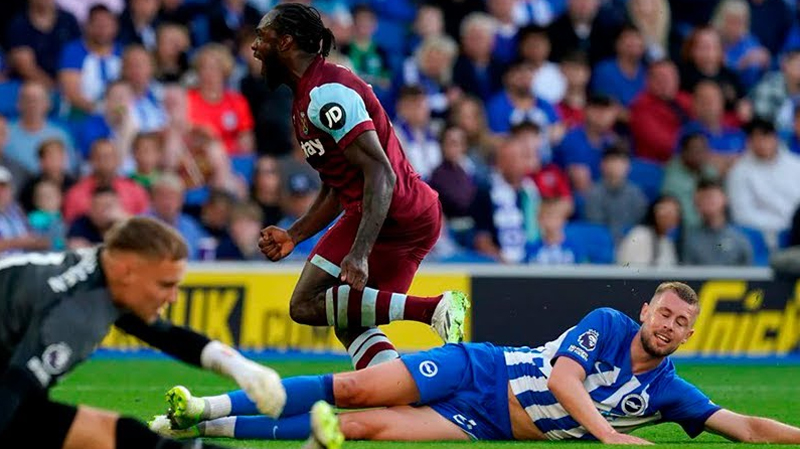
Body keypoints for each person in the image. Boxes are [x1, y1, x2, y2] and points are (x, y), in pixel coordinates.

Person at [151, 282, 800, 445]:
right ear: (647, 309)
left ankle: (196, 428)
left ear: (687, 334)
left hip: (480, 422)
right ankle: (206, 403)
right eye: (664, 313)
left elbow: (743, 425)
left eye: (682, 323)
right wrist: (606, 435)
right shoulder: (608, 323)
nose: (669, 325)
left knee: (359, 428)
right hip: (481, 369)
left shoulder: (670, 390)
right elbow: (563, 378)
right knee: (352, 388)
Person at [251, 3, 469, 370]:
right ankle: (396, 392)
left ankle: (432, 308)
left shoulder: (327, 93)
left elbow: (381, 174)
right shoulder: (307, 96)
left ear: (286, 42)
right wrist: (294, 234)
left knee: (304, 304)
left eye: (262, 37)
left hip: (395, 213)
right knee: (350, 321)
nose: (255, 47)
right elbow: (337, 186)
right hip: (395, 211)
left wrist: (360, 251)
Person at [0, 216, 286, 449]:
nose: (173, 297)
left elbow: (164, 334)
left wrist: (239, 367)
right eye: (165, 284)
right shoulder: (74, 314)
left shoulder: (98, 275)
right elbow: (13, 393)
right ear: (127, 271)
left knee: (120, 436)